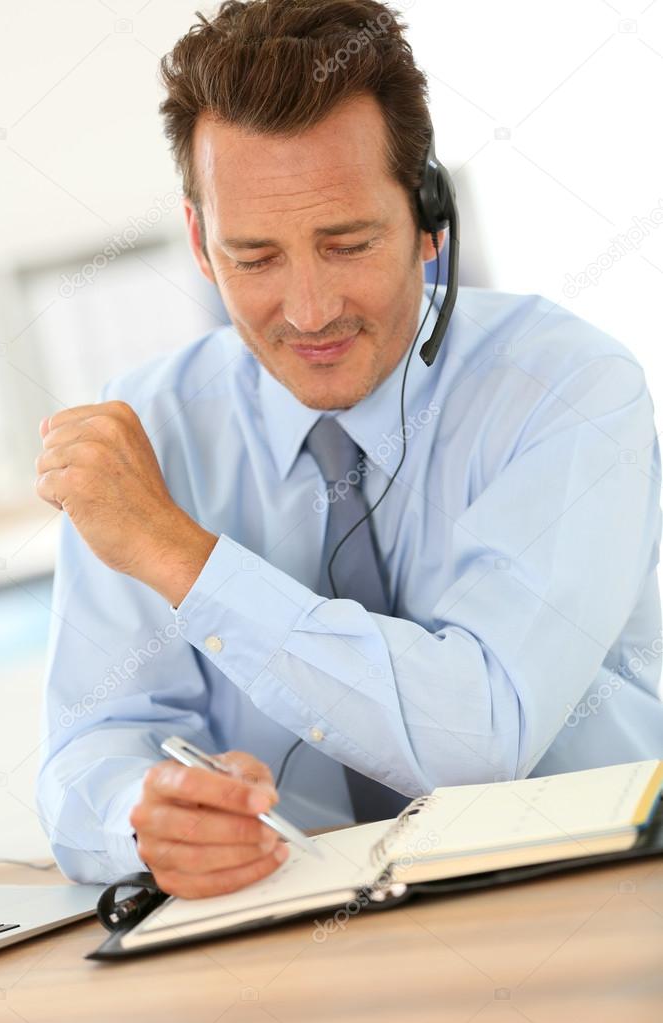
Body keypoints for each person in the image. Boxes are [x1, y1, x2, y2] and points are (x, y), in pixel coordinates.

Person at [35, 0, 663, 899]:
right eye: (254, 257)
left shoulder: (569, 388)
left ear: (429, 217)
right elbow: (87, 745)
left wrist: (180, 554)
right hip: (296, 929)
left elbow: (482, 736)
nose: (310, 309)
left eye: (348, 242)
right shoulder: (151, 423)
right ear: (199, 245)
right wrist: (141, 814)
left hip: (588, 896)